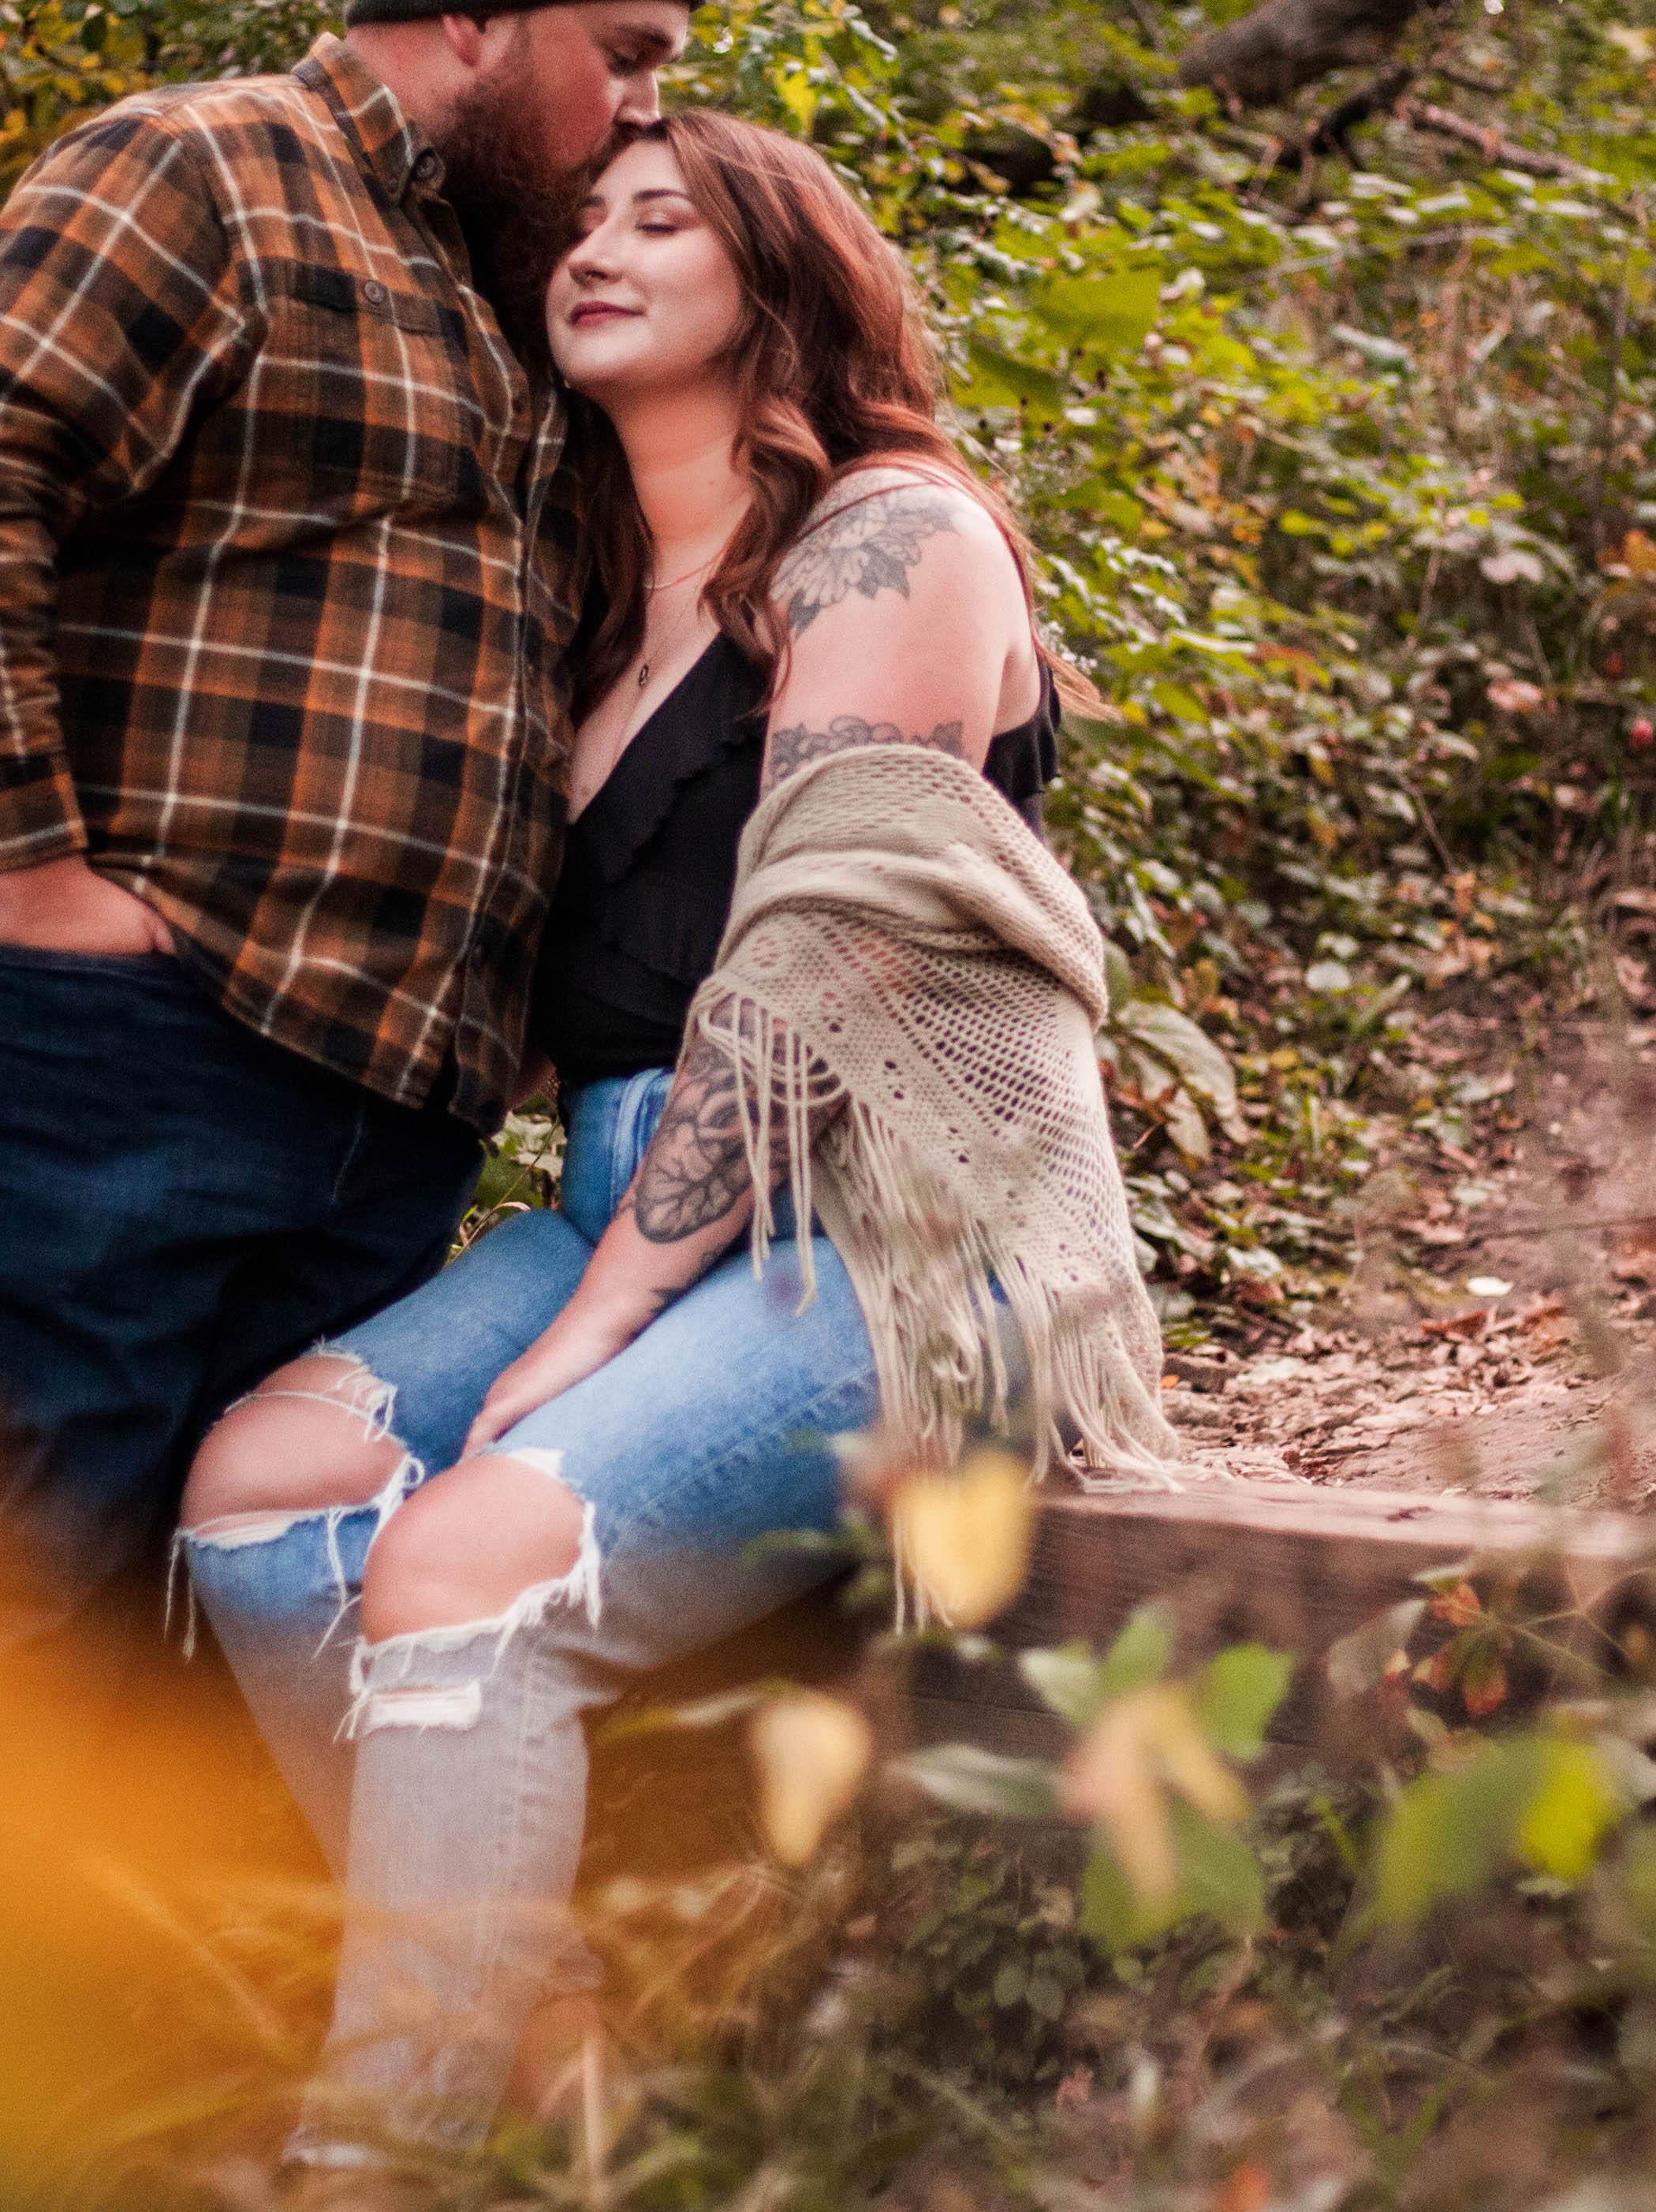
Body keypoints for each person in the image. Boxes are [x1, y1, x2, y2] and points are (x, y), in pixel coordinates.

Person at [177, 111, 1184, 2154]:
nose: (599, 248)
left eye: (663, 217)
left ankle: (382, 2159)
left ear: (780, 274)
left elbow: (815, 962)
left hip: (902, 1215)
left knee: (462, 1560)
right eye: (581, 224)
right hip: (620, 1189)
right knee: (265, 1494)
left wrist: (596, 1317)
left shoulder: (890, 537)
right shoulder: (588, 612)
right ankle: (543, 2025)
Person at [0, 0, 704, 1658]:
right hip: (115, 1032)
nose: (647, 106)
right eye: (627, 54)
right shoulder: (206, 168)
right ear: (477, 11)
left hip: (374, 1097)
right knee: (27, 1621)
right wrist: (43, 887)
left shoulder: (503, 291)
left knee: (201, 1661)